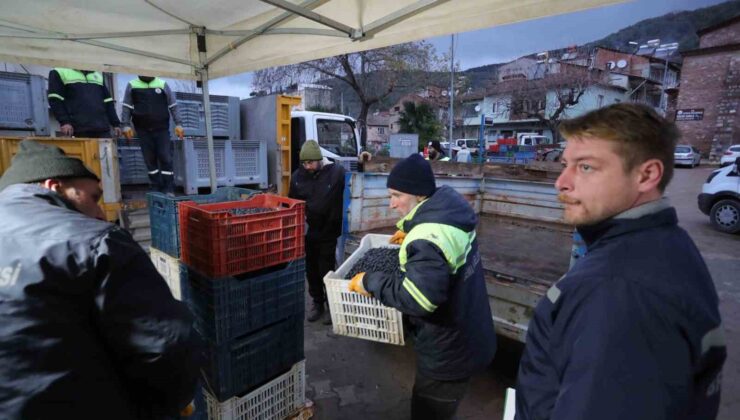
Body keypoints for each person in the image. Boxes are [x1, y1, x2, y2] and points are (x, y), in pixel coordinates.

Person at [516, 103, 726, 420]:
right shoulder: (666, 243)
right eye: (565, 165)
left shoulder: (616, 290)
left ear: (646, 175)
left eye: (585, 167)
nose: (561, 182)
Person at [0, 140, 203, 419]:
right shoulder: (93, 240)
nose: (99, 213)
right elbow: (165, 344)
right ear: (53, 186)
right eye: (94, 197)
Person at [348, 153, 496, 420]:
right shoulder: (451, 212)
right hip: (470, 330)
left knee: (429, 410)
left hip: (448, 351)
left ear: (417, 195)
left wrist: (370, 280)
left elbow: (420, 300)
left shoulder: (428, 238)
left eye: (396, 195)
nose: (392, 205)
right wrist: (414, 227)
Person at [289, 140, 347, 323]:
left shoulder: (336, 172)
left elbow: (355, 177)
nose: (308, 167)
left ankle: (332, 306)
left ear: (319, 159)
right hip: (308, 232)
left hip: (329, 231)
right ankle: (318, 303)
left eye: (311, 163)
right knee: (311, 270)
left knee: (327, 269)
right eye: (305, 163)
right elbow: (293, 202)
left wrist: (363, 159)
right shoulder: (298, 176)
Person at [120, 75, 185, 194]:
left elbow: (173, 105)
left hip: (161, 129)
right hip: (143, 130)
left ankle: (168, 187)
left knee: (165, 157)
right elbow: (127, 106)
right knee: (149, 159)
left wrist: (179, 123)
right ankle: (156, 185)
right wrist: (125, 124)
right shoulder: (132, 85)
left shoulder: (162, 84)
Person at [48, 68, 122, 138]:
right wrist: (64, 122)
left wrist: (115, 124)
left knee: (106, 151)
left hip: (102, 129)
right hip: (77, 129)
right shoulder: (59, 72)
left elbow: (108, 102)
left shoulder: (97, 76)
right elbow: (55, 99)